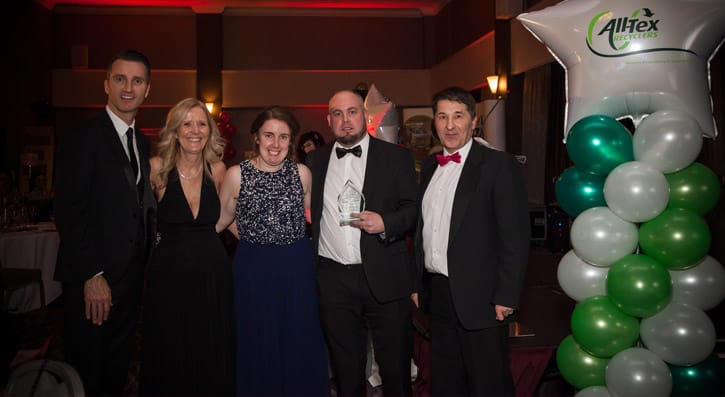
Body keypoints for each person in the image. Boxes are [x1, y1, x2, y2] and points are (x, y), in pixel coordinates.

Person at [414, 86, 530, 396]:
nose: (450, 125)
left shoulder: (498, 165)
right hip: (438, 292)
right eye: (442, 117)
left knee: (488, 382)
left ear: (473, 121)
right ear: (434, 122)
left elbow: (514, 236)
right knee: (447, 380)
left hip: (483, 296)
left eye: (458, 116)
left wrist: (507, 294)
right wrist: (418, 283)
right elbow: (423, 229)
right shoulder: (429, 167)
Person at [53, 49, 156, 395]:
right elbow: (69, 210)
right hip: (93, 281)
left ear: (147, 90)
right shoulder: (83, 135)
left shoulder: (142, 142)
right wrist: (91, 274)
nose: (129, 87)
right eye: (120, 78)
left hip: (129, 283)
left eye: (137, 80)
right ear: (106, 84)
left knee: (116, 368)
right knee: (87, 372)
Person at [306, 89, 418, 396]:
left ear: (364, 116)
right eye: (338, 114)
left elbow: (414, 209)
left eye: (352, 112)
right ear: (329, 120)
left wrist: (386, 223)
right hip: (334, 279)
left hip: (385, 274)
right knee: (345, 369)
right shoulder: (314, 161)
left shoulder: (396, 157)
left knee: (395, 367)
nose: (345, 121)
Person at [216, 105, 329, 396]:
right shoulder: (235, 176)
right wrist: (251, 237)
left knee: (299, 335)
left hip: (296, 265)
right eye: (268, 135)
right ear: (256, 137)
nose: (275, 144)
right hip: (253, 267)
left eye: (283, 137)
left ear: (291, 141)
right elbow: (220, 221)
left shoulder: (302, 173)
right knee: (257, 336)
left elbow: (313, 216)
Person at [139, 98, 234, 395]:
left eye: (201, 124)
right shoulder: (155, 169)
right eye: (187, 123)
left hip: (212, 274)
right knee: (169, 346)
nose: (195, 130)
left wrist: (273, 251)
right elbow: (136, 220)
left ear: (210, 131)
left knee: (210, 346)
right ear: (175, 130)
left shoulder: (218, 170)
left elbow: (230, 219)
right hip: (168, 274)